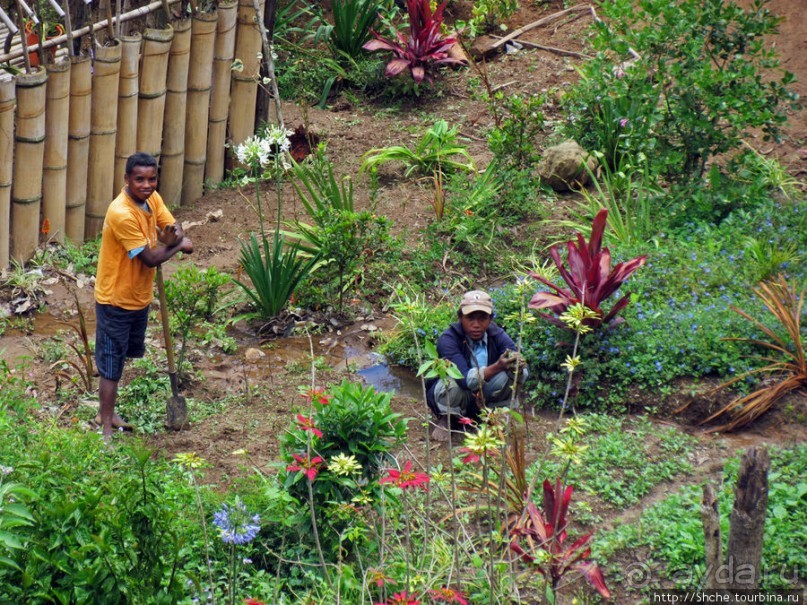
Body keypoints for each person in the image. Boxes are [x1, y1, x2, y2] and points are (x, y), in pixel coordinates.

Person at [94, 152, 193, 441]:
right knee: (111, 365)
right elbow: (149, 258)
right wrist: (179, 245)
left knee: (123, 356)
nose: (146, 185)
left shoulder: (152, 199)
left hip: (138, 296)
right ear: (127, 180)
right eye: (139, 179)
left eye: (151, 179)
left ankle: (108, 413)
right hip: (115, 299)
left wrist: (173, 235)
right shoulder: (121, 213)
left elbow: (171, 227)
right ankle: (106, 424)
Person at [425, 290, 528, 442]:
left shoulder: (497, 335)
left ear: (491, 319)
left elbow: (519, 367)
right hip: (459, 393)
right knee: (452, 384)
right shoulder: (448, 339)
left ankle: (495, 414)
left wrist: (517, 367)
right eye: (470, 318)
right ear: (460, 317)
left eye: (482, 319)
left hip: (483, 394)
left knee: (515, 373)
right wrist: (498, 366)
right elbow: (465, 380)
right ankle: (449, 418)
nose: (476, 325)